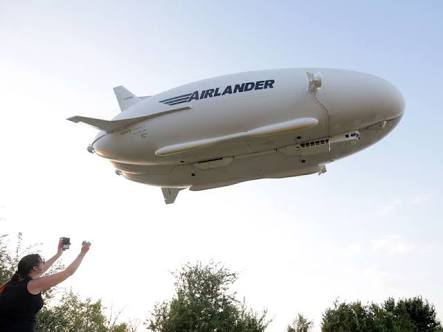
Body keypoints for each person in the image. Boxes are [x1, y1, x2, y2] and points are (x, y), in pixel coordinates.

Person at [0, 239, 91, 332]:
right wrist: (82, 253)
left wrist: (58, 254)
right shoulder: (32, 285)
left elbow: (41, 270)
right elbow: (68, 272)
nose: (44, 263)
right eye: (42, 261)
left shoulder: (13, 283)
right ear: (35, 268)